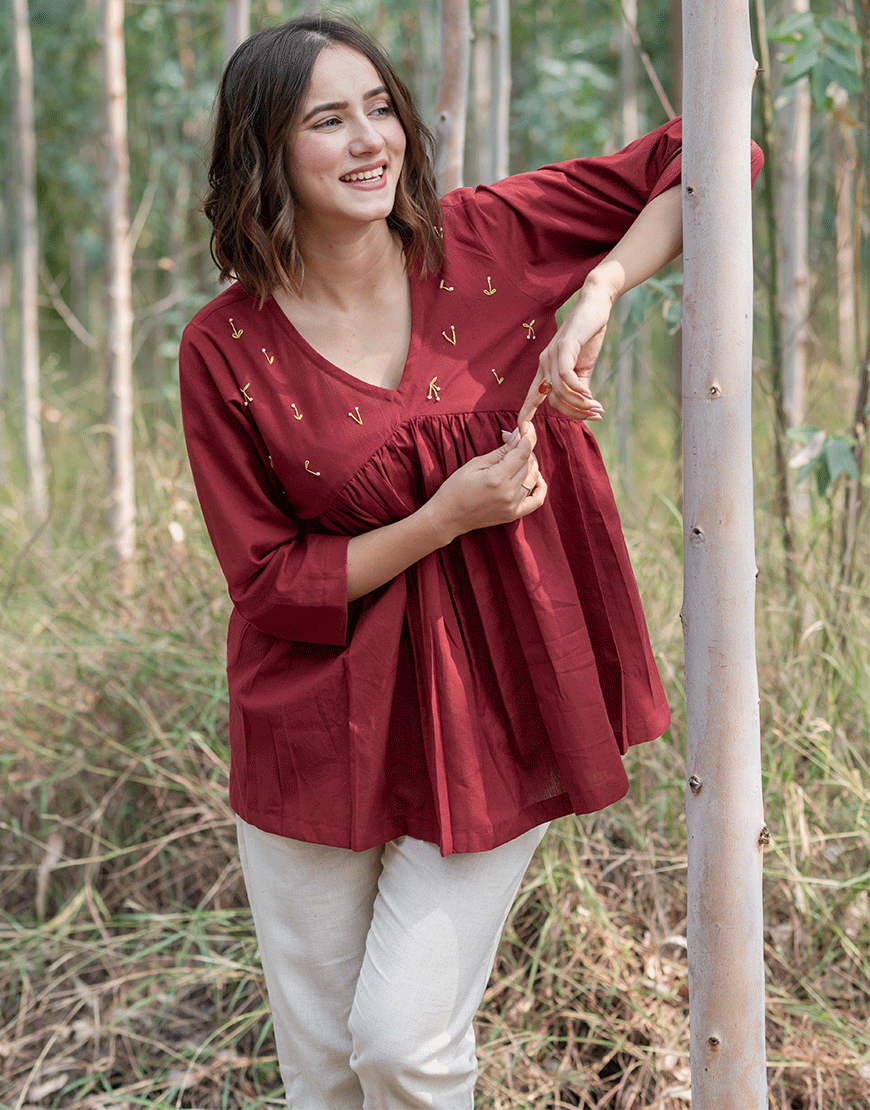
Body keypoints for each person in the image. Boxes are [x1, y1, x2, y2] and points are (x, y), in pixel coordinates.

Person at [180, 15, 761, 1109]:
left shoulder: (484, 241)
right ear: (266, 151)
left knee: (405, 1049)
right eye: (327, 119)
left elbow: (719, 151)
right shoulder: (226, 344)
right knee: (323, 1075)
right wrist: (445, 516)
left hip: (498, 695)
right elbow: (266, 582)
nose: (369, 141)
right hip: (316, 725)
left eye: (380, 108)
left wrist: (600, 288)